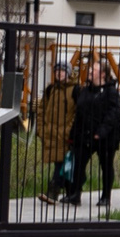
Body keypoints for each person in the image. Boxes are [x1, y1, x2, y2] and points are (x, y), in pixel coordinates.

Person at [70, 58, 120, 209]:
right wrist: (74, 134)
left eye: (94, 70)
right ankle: (75, 193)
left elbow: (113, 114)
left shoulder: (111, 92)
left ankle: (106, 196)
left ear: (103, 74)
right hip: (85, 134)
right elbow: (79, 112)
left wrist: (101, 132)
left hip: (106, 136)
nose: (90, 72)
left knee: (106, 166)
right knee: (78, 163)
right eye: (90, 69)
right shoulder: (86, 90)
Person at [34, 60, 79, 206]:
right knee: (61, 164)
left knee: (61, 164)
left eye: (62, 70)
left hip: (65, 135)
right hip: (51, 135)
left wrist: (69, 131)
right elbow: (41, 111)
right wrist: (41, 129)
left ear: (68, 73)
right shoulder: (50, 90)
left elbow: (77, 113)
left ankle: (52, 193)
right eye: (57, 70)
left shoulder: (75, 90)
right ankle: (72, 193)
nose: (59, 73)